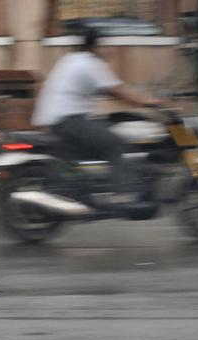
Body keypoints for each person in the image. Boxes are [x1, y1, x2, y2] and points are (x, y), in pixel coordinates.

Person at [31, 26, 162, 206]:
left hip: (58, 120)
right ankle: (122, 193)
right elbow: (117, 90)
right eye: (104, 45)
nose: (108, 50)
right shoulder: (90, 63)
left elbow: (109, 91)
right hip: (70, 120)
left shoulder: (71, 59)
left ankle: (91, 187)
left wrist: (130, 101)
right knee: (115, 143)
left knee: (104, 131)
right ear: (95, 46)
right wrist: (148, 102)